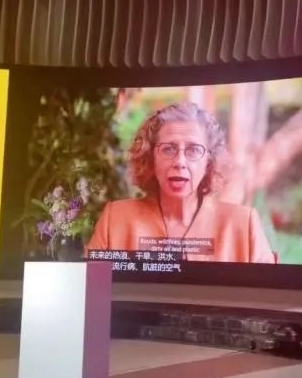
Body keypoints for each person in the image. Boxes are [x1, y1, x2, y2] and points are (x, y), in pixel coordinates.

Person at [86, 101, 275, 263]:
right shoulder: (115, 219)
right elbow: (91, 288)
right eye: (168, 149)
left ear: (209, 162)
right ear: (151, 159)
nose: (180, 162)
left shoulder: (244, 224)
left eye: (193, 150)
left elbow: (267, 292)